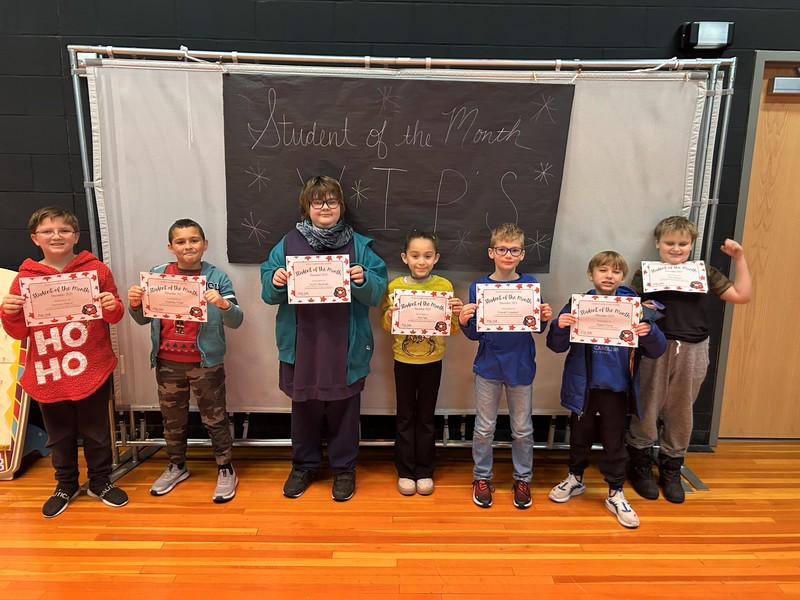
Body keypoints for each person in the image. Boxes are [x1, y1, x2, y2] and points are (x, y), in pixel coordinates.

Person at [261, 175, 387, 502]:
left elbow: (377, 292)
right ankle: (304, 465)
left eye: (332, 201)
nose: (326, 207)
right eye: (318, 202)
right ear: (307, 207)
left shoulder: (359, 244)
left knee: (345, 407)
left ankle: (344, 468)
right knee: (304, 407)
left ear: (341, 206)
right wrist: (275, 280)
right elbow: (267, 292)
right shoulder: (288, 242)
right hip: (304, 342)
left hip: (343, 343)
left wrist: (362, 279)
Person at [1, 206, 128, 518]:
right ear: (35, 238)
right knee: (58, 434)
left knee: (98, 432)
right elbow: (19, 333)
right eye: (47, 231)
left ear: (76, 236)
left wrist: (113, 304)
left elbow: (113, 315)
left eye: (64, 230)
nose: (56, 236)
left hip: (90, 364)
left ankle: (100, 481)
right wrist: (9, 312)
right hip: (48, 369)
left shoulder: (96, 271)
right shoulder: (25, 278)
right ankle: (65, 484)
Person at [627, 216, 752, 503]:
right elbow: (627, 306)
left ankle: (671, 467)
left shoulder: (703, 272)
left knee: (681, 409)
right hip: (655, 346)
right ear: (657, 243)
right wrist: (640, 307)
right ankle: (640, 464)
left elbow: (742, 296)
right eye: (669, 243)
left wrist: (740, 258)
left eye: (683, 244)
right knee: (647, 403)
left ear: (692, 245)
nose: (676, 248)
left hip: (694, 348)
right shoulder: (645, 273)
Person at [546, 251, 667, 529]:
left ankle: (615, 491)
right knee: (579, 437)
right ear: (591, 275)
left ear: (622, 277)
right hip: (584, 387)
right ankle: (575, 478)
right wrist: (559, 327)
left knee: (615, 442)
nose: (608, 275)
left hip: (616, 389)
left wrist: (650, 331)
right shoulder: (577, 305)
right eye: (602, 270)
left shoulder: (635, 308)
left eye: (615, 271)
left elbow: (657, 350)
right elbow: (556, 346)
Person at [127, 219, 244, 503]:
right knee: (172, 419)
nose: (188, 246)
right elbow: (143, 318)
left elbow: (237, 321)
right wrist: (133, 303)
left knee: (215, 418)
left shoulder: (217, 278)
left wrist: (224, 304)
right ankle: (176, 465)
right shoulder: (157, 275)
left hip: (205, 363)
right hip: (167, 361)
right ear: (170, 247)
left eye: (194, 240)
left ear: (205, 244)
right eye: (180, 242)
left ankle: (225, 467)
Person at [458, 223, 552, 509]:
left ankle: (522, 479)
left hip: (521, 367)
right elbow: (476, 334)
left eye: (514, 250)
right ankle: (481, 477)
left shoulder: (531, 285)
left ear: (522, 254)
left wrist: (545, 317)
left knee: (522, 429)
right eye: (502, 249)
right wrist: (463, 321)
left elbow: (535, 328)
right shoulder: (479, 287)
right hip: (488, 366)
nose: (508, 255)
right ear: (492, 252)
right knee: (484, 428)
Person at [380, 231, 463, 496]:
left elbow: (451, 330)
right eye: (415, 256)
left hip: (432, 360)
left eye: (427, 256)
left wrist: (456, 316)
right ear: (405, 258)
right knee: (405, 416)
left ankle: (425, 470)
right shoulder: (394, 287)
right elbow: (385, 325)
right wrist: (390, 316)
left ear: (436, 258)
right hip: (402, 360)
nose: (421, 261)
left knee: (426, 417)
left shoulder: (444, 286)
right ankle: (405, 471)